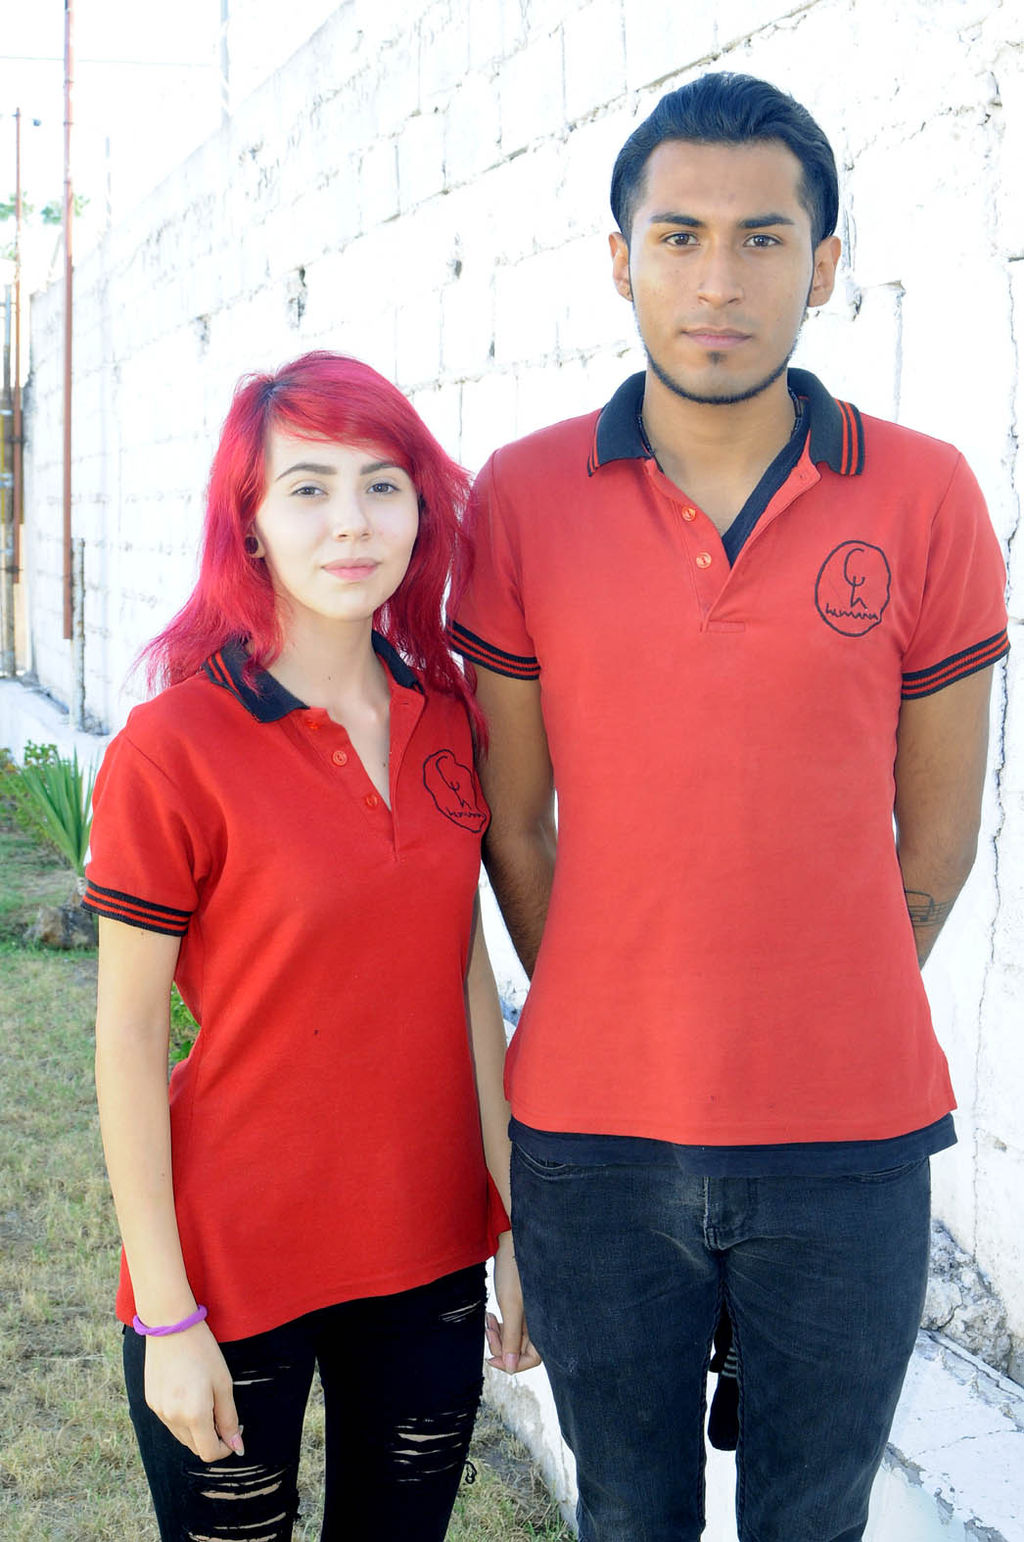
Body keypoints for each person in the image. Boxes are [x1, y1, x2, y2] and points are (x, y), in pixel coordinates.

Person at [450, 73, 1009, 1542]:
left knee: (814, 1521)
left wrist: (810, 999)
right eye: (679, 236)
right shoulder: (520, 497)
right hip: (591, 1144)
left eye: (764, 239)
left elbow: (939, 840)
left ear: (823, 266)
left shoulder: (928, 494)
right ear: (619, 258)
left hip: (852, 1138)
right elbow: (514, 823)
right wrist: (622, 997)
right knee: (628, 1516)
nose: (718, 281)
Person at [86, 351, 538, 1542]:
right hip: (231, 1262)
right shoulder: (173, 747)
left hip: (425, 1247)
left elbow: (461, 976)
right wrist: (168, 1315)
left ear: (420, 510)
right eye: (308, 488)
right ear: (248, 522)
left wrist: (511, 1222)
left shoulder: (449, 717)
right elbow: (127, 1040)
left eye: (382, 485)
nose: (351, 522)